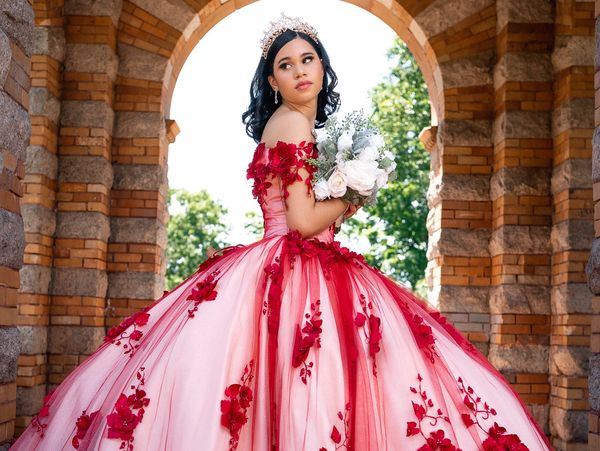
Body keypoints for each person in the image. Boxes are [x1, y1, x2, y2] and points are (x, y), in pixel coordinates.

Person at [9, 12, 552, 451]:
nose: (299, 71)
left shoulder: (308, 128)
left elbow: (314, 215)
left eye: (308, 59)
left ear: (323, 67)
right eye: (285, 65)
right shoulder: (290, 123)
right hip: (291, 266)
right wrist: (353, 194)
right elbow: (301, 220)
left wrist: (342, 194)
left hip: (306, 262)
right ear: (272, 80)